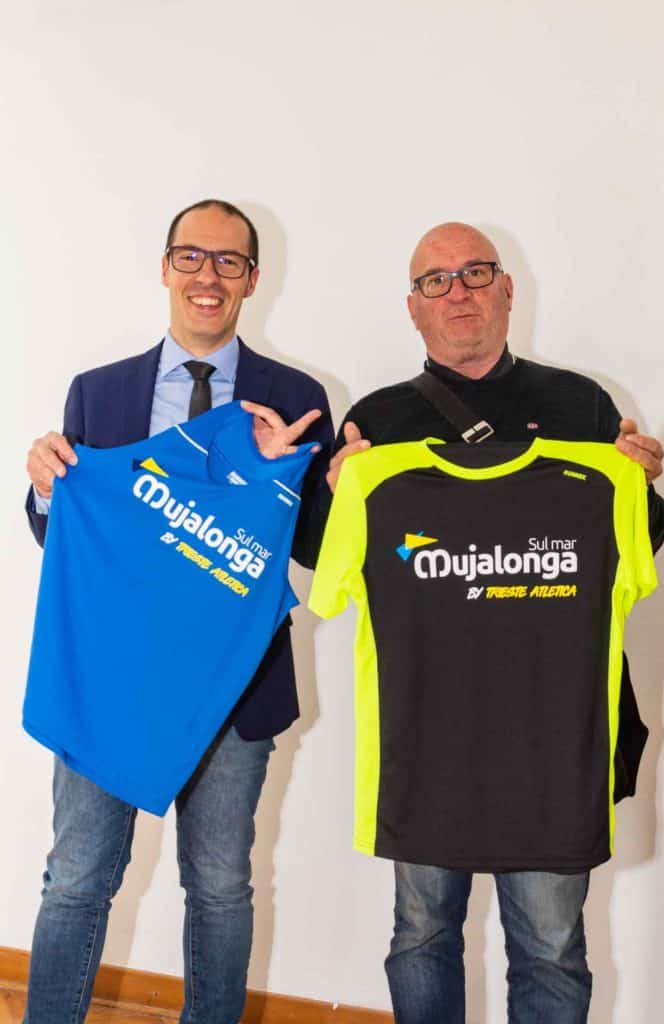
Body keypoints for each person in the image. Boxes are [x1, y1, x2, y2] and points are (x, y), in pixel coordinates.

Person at [322, 222, 664, 1024]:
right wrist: (336, 494)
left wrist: (638, 488)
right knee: (420, 933)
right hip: (423, 734)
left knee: (550, 944)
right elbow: (327, 561)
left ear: (507, 290)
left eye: (475, 273)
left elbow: (632, 547)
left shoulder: (580, 404)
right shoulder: (377, 422)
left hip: (553, 737)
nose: (458, 292)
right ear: (413, 306)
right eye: (435, 280)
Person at [23, 198, 332, 1024]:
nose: (209, 276)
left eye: (229, 261)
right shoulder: (99, 392)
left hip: (235, 687)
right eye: (192, 256)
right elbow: (68, 534)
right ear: (165, 267)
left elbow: (314, 548)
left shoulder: (295, 396)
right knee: (78, 877)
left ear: (253, 280)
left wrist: (299, 484)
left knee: (221, 887)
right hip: (113, 681)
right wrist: (46, 487)